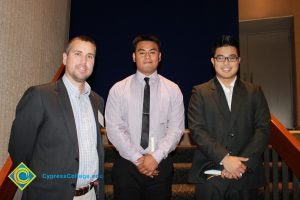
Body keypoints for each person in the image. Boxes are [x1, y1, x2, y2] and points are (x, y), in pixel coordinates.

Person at [8, 35, 105, 200]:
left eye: (90, 56)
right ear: (65, 58)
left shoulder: (97, 100)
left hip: (90, 194)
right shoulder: (39, 96)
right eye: (78, 54)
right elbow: (17, 151)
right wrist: (31, 188)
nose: (84, 61)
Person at [188, 35, 271, 200]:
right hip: (210, 171)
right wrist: (224, 158)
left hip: (246, 175)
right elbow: (197, 130)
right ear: (213, 61)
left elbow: (263, 128)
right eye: (221, 58)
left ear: (239, 60)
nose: (226, 63)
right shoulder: (200, 92)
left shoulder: (254, 91)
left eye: (231, 58)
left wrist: (241, 165)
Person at [105, 35, 185, 200]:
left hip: (160, 164)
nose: (147, 56)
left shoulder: (173, 89)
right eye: (142, 52)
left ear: (160, 56)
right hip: (126, 164)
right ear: (134, 57)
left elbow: (176, 129)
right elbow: (114, 129)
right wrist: (138, 159)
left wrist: (155, 157)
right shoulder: (118, 89)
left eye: (152, 52)